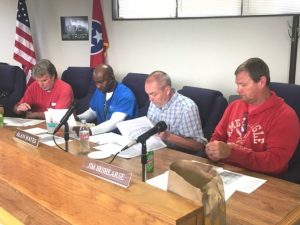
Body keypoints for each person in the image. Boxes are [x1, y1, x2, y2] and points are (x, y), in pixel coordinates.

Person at [206, 57, 299, 175]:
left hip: (262, 179)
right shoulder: (234, 106)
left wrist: (231, 152)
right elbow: (218, 136)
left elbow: (275, 162)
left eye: (243, 85)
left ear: (261, 82)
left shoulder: (285, 116)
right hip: (225, 170)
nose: (238, 90)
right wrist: (213, 151)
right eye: (237, 84)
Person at [145, 70, 205, 153]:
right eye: (148, 94)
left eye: (153, 94)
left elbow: (198, 146)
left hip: (176, 154)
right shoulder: (153, 101)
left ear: (167, 90)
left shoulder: (187, 108)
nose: (150, 99)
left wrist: (168, 136)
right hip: (154, 148)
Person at [74, 64, 138, 135]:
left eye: (101, 82)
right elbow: (93, 112)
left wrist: (90, 131)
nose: (98, 86)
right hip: (101, 135)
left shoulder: (125, 95)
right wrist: (78, 118)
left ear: (111, 77)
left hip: (119, 137)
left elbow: (114, 123)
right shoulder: (101, 90)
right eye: (95, 82)